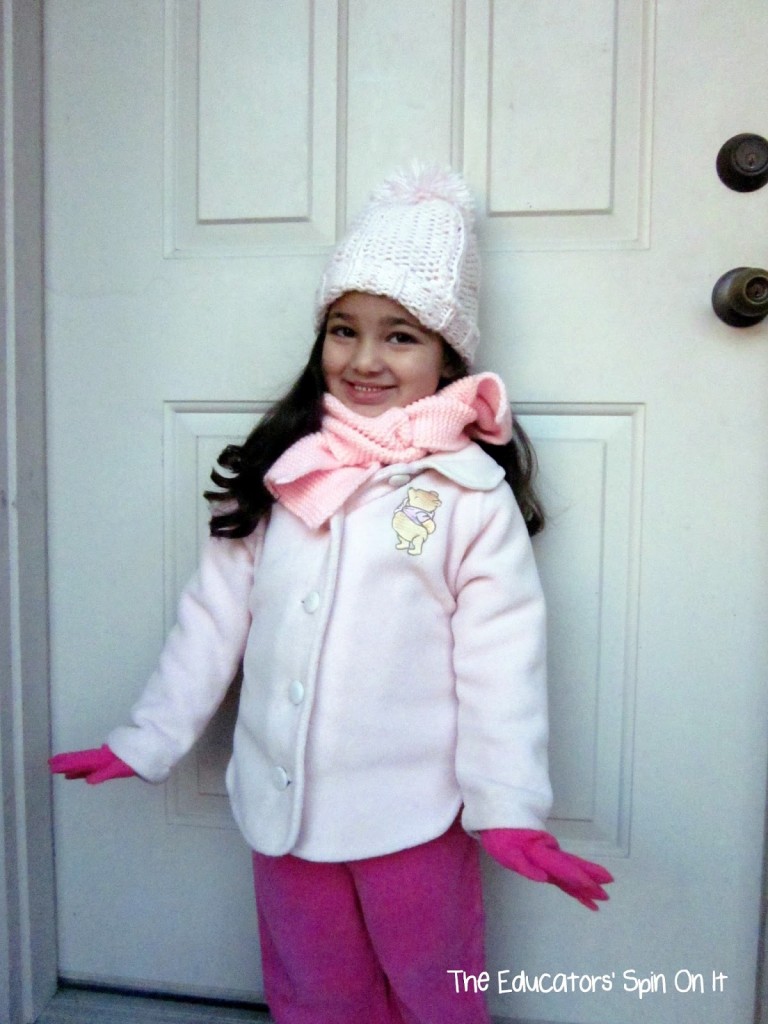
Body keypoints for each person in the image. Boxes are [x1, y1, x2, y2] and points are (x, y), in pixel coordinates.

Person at [50, 165, 613, 1024]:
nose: (363, 359)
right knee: (313, 992)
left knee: (435, 991)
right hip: (282, 811)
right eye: (343, 330)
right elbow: (211, 621)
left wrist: (508, 810)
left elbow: (502, 665)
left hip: (412, 819)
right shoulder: (287, 473)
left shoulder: (467, 496)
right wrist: (147, 737)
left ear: (448, 354)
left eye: (400, 336)